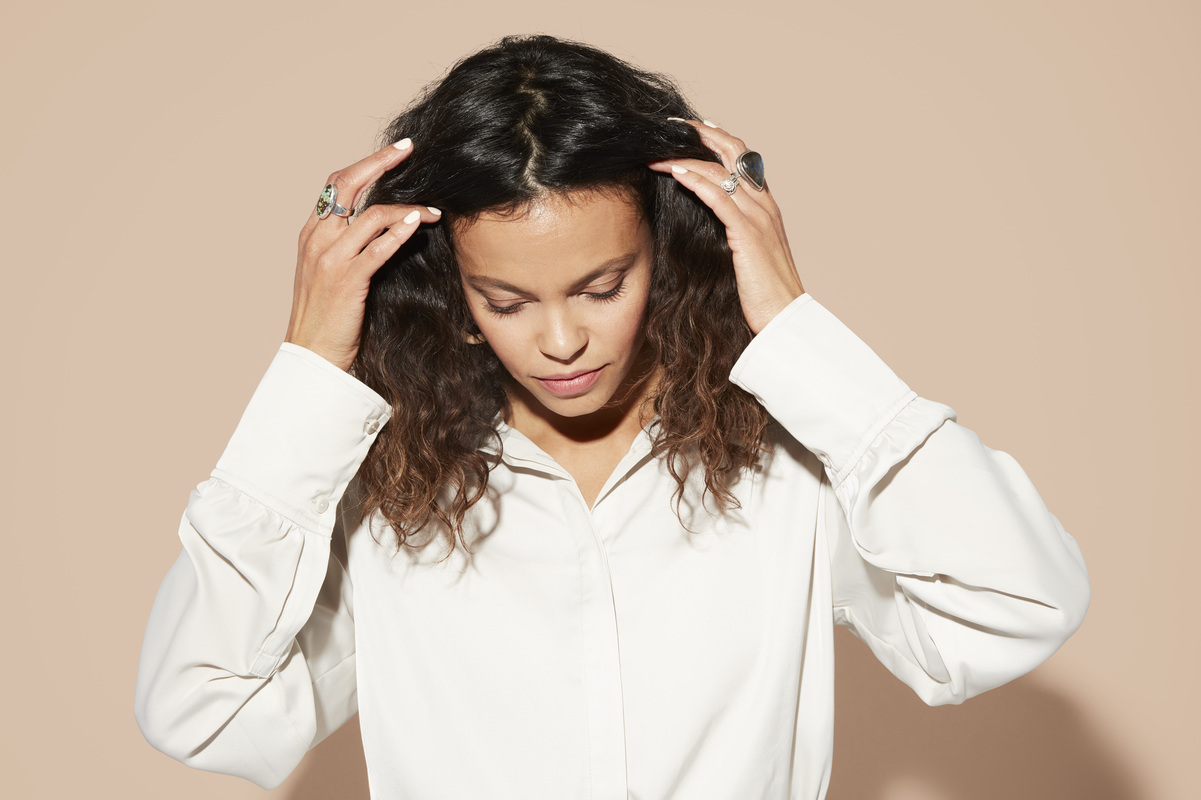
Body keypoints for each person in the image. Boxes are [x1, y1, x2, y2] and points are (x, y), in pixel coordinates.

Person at [133, 33, 1090, 799]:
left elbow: (1015, 607)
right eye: (506, 302)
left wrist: (796, 327)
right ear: (452, 297)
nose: (560, 341)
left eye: (601, 285)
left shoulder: (787, 470)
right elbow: (199, 711)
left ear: (665, 258)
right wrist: (307, 370)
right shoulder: (389, 497)